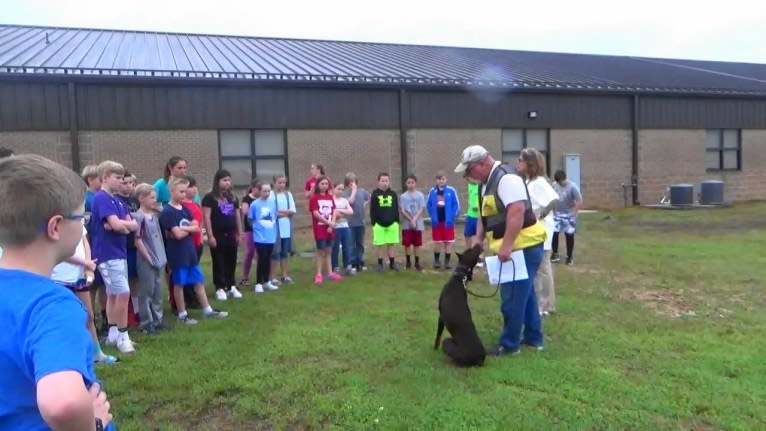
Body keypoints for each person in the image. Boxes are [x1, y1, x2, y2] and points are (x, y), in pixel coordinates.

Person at [0, 154, 113, 431]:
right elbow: (62, 404)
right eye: (81, 217)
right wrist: (94, 424)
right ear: (55, 227)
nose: (84, 225)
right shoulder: (50, 305)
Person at [455, 145, 547, 356]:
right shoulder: (485, 183)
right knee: (527, 295)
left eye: (469, 171)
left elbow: (516, 211)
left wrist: (506, 246)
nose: (468, 176)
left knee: (512, 298)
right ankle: (534, 338)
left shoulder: (506, 179)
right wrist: (479, 240)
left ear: (482, 164)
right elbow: (483, 214)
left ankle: (509, 344)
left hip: (522, 245)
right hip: (515, 246)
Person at [159, 176, 229, 324]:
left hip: (189, 251)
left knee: (198, 281)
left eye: (185, 191)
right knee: (179, 284)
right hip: (177, 254)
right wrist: (188, 230)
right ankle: (182, 314)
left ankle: (207, 309)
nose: (184, 195)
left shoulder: (184, 209)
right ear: (172, 191)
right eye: (181, 191)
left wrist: (184, 229)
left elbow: (196, 227)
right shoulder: (167, 212)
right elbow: (177, 235)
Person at [90, 160, 139, 354]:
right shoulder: (101, 198)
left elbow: (132, 224)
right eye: (117, 178)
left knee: (113, 293)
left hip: (119, 251)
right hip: (107, 253)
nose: (121, 181)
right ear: (105, 178)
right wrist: (118, 225)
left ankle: (112, 332)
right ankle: (123, 335)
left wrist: (119, 225)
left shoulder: (118, 200)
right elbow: (118, 225)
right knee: (122, 292)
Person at [518, 148, 559, 316]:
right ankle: (542, 303)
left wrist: (540, 214)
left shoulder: (540, 182)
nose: (518, 163)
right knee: (538, 268)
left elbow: (554, 200)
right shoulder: (528, 182)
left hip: (542, 229)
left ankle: (545, 305)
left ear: (530, 163)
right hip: (532, 230)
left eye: (520, 160)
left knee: (543, 267)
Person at [133, 183, 169, 334]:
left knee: (157, 290)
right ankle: (146, 322)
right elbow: (138, 240)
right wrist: (148, 258)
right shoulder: (138, 217)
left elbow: (164, 212)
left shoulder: (154, 215)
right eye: (152, 198)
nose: (155, 200)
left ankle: (157, 319)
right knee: (147, 291)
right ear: (141, 198)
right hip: (147, 259)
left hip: (159, 257)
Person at [202, 169, 244, 301]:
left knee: (231, 259)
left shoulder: (233, 197)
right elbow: (207, 217)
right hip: (218, 233)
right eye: (224, 180)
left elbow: (237, 215)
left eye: (229, 180)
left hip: (231, 233)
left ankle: (231, 285)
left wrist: (239, 232)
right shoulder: (209, 198)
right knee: (219, 261)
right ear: (217, 181)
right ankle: (220, 287)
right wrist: (210, 235)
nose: (227, 183)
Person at [309, 175, 342, 284]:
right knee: (320, 251)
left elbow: (334, 211)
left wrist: (331, 224)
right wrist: (328, 223)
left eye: (326, 184)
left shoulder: (329, 197)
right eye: (322, 183)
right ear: (318, 185)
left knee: (328, 250)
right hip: (320, 228)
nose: (324, 186)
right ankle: (318, 274)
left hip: (329, 228)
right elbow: (316, 213)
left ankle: (330, 272)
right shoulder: (314, 198)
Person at [248, 182, 279, 293]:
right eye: (264, 191)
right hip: (260, 237)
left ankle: (266, 281)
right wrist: (257, 229)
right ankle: (258, 283)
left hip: (270, 236)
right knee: (262, 259)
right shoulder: (255, 204)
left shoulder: (272, 203)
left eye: (268, 191)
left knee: (268, 259)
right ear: (259, 191)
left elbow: (274, 217)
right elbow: (250, 219)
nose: (266, 193)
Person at [426, 171, 460, 270]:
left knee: (448, 242)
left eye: (443, 179)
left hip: (448, 222)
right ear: (436, 180)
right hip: (437, 221)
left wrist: (452, 217)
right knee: (437, 242)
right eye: (439, 179)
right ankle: (436, 260)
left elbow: (456, 205)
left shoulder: (451, 191)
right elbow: (429, 205)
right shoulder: (432, 191)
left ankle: (447, 261)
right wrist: (433, 216)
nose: (441, 181)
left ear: (446, 180)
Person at [551, 170, 583, 265]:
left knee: (569, 235)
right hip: (557, 213)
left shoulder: (572, 187)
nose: (560, 184)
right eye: (558, 183)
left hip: (569, 214)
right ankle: (555, 254)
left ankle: (569, 257)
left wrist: (573, 213)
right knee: (554, 233)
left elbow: (579, 201)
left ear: (564, 178)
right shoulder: (554, 185)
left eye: (561, 182)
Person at [269, 174, 296, 285]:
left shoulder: (288, 195)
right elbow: (272, 212)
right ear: (274, 183)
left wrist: (282, 212)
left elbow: (293, 211)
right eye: (279, 183)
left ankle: (285, 275)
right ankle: (272, 276)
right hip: (276, 228)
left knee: (284, 253)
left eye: (283, 183)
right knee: (275, 253)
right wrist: (285, 212)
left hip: (286, 227)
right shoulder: (271, 195)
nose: (281, 185)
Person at [370, 172, 400, 272]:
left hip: (392, 224)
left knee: (391, 244)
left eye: (386, 181)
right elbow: (372, 209)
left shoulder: (393, 194)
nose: (385, 183)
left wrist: (396, 221)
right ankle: (380, 264)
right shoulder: (375, 194)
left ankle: (392, 263)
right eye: (382, 181)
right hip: (379, 224)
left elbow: (396, 208)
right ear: (378, 182)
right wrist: (374, 222)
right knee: (380, 245)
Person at [343, 172, 370, 272]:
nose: (352, 184)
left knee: (360, 243)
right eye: (350, 183)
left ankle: (360, 261)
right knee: (351, 243)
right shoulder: (345, 193)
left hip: (360, 221)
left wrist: (365, 203)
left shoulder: (362, 191)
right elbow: (350, 202)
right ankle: (352, 262)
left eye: (354, 182)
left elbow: (369, 197)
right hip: (350, 222)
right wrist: (353, 191)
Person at [400, 174, 426, 271]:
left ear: (415, 183)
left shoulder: (420, 195)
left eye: (412, 182)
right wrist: (410, 220)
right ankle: (408, 262)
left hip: (417, 223)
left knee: (417, 244)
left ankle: (417, 262)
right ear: (406, 184)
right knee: (407, 244)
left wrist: (415, 219)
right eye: (408, 183)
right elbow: (403, 210)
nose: (411, 184)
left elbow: (421, 208)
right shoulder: (403, 196)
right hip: (407, 224)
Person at [239, 179, 261, 286]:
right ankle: (245, 277)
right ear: (253, 188)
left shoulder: (263, 199)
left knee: (261, 253)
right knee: (250, 252)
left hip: (262, 230)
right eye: (259, 188)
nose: (261, 191)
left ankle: (262, 276)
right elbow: (245, 212)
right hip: (250, 229)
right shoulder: (247, 199)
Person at [331, 182, 354, 275]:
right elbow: (332, 212)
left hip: (345, 226)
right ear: (333, 189)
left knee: (346, 246)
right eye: (338, 189)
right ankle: (335, 266)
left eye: (342, 189)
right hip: (335, 227)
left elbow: (350, 211)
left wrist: (338, 210)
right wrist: (337, 213)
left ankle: (348, 265)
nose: (340, 191)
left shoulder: (344, 200)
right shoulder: (331, 200)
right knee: (335, 247)